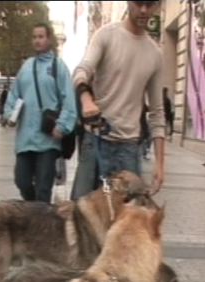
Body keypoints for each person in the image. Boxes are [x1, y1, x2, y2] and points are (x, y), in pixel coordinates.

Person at [71, 0, 165, 200]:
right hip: (96, 138)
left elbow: (157, 112)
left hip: (129, 148)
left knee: (127, 220)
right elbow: (82, 70)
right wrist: (86, 99)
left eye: (149, 5)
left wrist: (159, 164)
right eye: (138, 4)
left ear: (156, 7)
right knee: (80, 211)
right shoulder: (106, 36)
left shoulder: (155, 54)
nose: (143, 10)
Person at [4, 23, 77, 203]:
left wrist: (62, 126)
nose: (37, 40)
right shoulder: (26, 67)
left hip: (48, 141)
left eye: (41, 36)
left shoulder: (59, 67)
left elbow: (69, 101)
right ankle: (34, 212)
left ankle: (40, 225)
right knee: (22, 181)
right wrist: (9, 115)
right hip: (25, 140)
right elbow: (14, 95)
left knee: (44, 189)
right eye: (34, 37)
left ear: (49, 39)